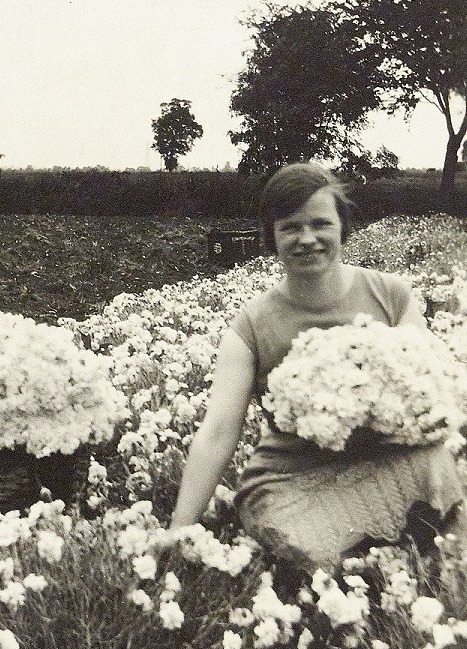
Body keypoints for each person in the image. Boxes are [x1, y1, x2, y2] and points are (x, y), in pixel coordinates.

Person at [170, 162, 464, 574]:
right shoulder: (250, 326)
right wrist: (178, 530)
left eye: (320, 224)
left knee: (436, 467)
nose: (307, 239)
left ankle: (399, 553)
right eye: (290, 227)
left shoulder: (391, 295)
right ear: (271, 236)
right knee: (308, 545)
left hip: (385, 460)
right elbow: (218, 432)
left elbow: (428, 393)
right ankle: (380, 554)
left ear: (342, 227)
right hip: (292, 480)